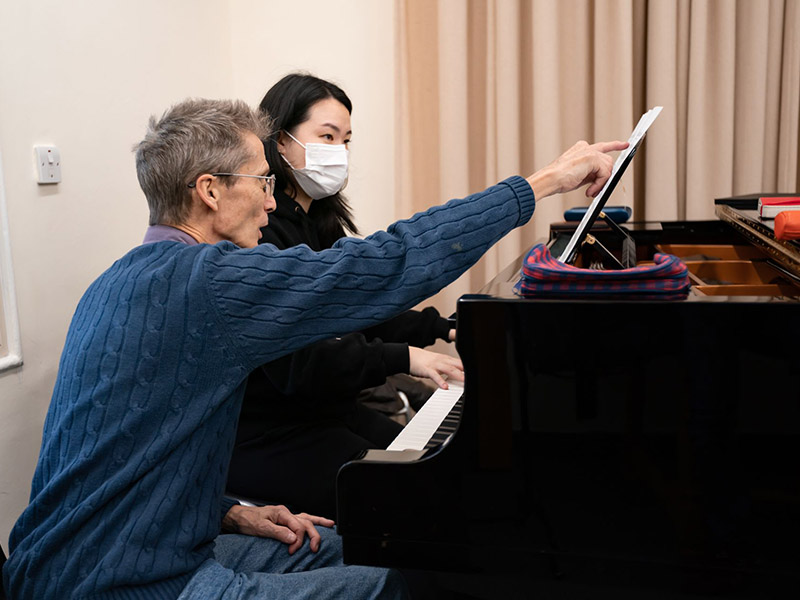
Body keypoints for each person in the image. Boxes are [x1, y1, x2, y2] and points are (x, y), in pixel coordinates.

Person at [2, 96, 626, 600]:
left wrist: (225, 511)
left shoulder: (116, 281)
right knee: (401, 577)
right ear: (210, 190)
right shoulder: (211, 280)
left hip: (80, 557)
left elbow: (112, 456)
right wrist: (540, 184)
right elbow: (389, 261)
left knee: (366, 539)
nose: (274, 201)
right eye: (262, 182)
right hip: (125, 581)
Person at [226, 73, 461, 519]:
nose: (339, 152)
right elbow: (304, 361)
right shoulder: (262, 236)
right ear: (280, 141)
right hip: (271, 433)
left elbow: (365, 305)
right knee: (408, 497)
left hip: (321, 413)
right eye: (327, 137)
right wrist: (406, 357)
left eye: (346, 140)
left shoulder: (319, 225)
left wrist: (442, 328)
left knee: (435, 465)